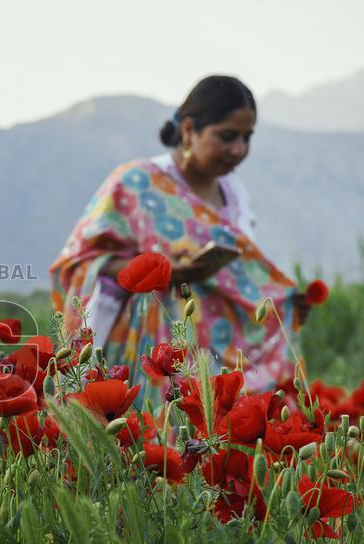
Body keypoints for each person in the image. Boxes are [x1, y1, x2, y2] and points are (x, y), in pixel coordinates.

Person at [49, 75, 310, 393]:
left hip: (216, 351)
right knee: (154, 437)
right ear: (189, 131)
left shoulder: (235, 193)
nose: (239, 149)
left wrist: (286, 302)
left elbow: (241, 278)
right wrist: (158, 271)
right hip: (145, 350)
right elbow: (84, 263)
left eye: (247, 137)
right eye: (227, 136)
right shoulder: (136, 183)